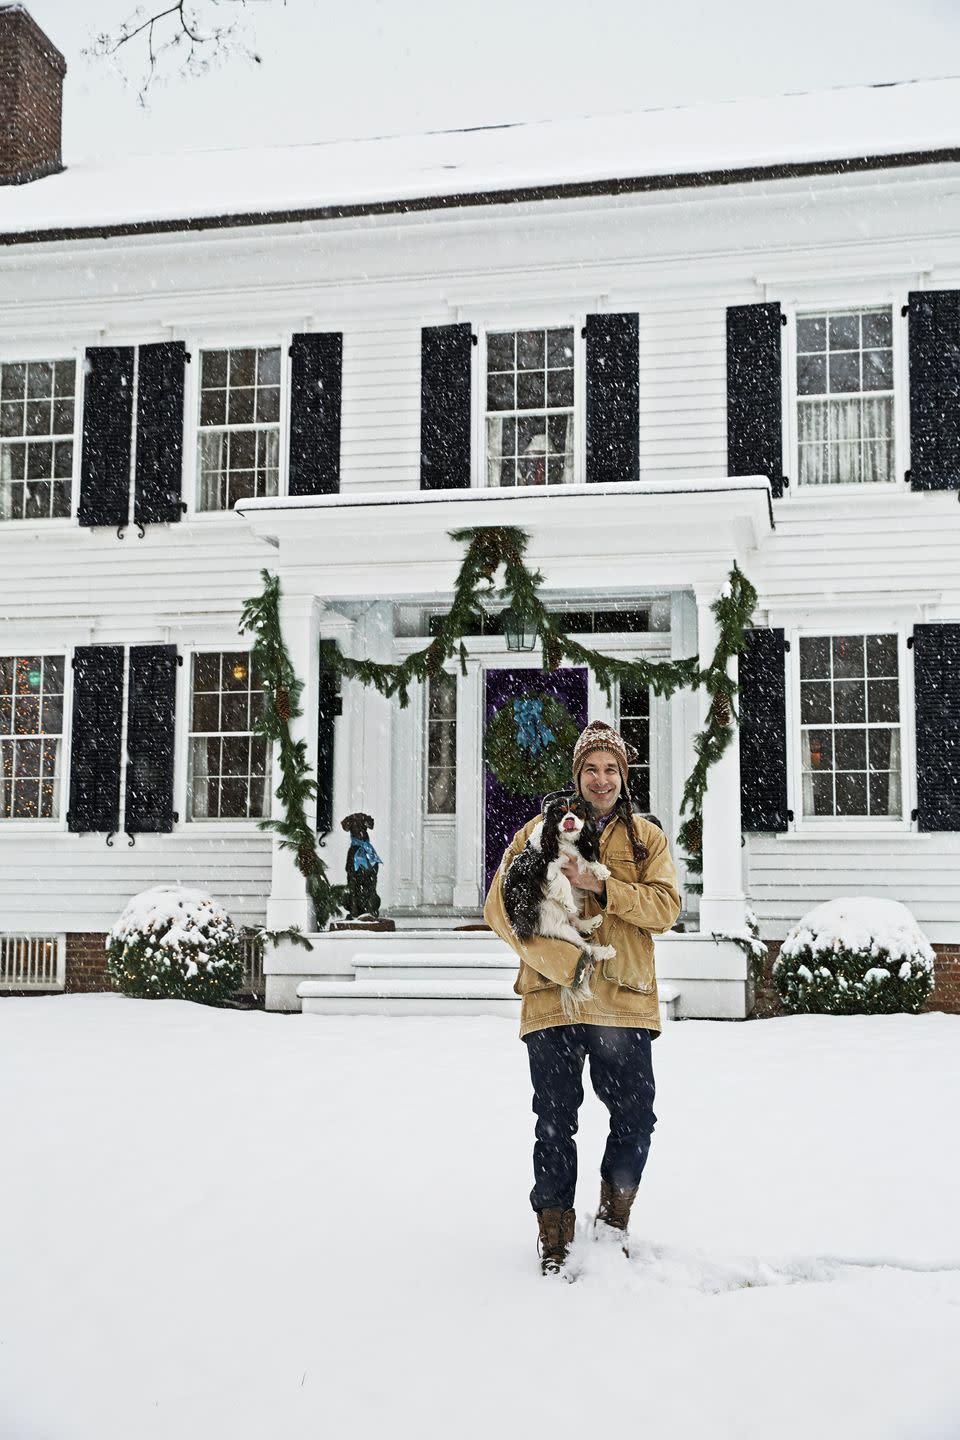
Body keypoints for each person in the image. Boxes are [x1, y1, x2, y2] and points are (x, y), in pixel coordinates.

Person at [483, 719, 681, 1276]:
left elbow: (666, 908)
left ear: (624, 775)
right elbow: (498, 910)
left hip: (623, 999)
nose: (601, 779)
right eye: (591, 769)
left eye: (611, 769)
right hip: (554, 1001)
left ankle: (613, 1223)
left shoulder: (645, 839)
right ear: (577, 776)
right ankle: (554, 1236)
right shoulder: (538, 832)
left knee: (636, 1116)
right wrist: (567, 964)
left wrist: (603, 886)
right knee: (554, 1119)